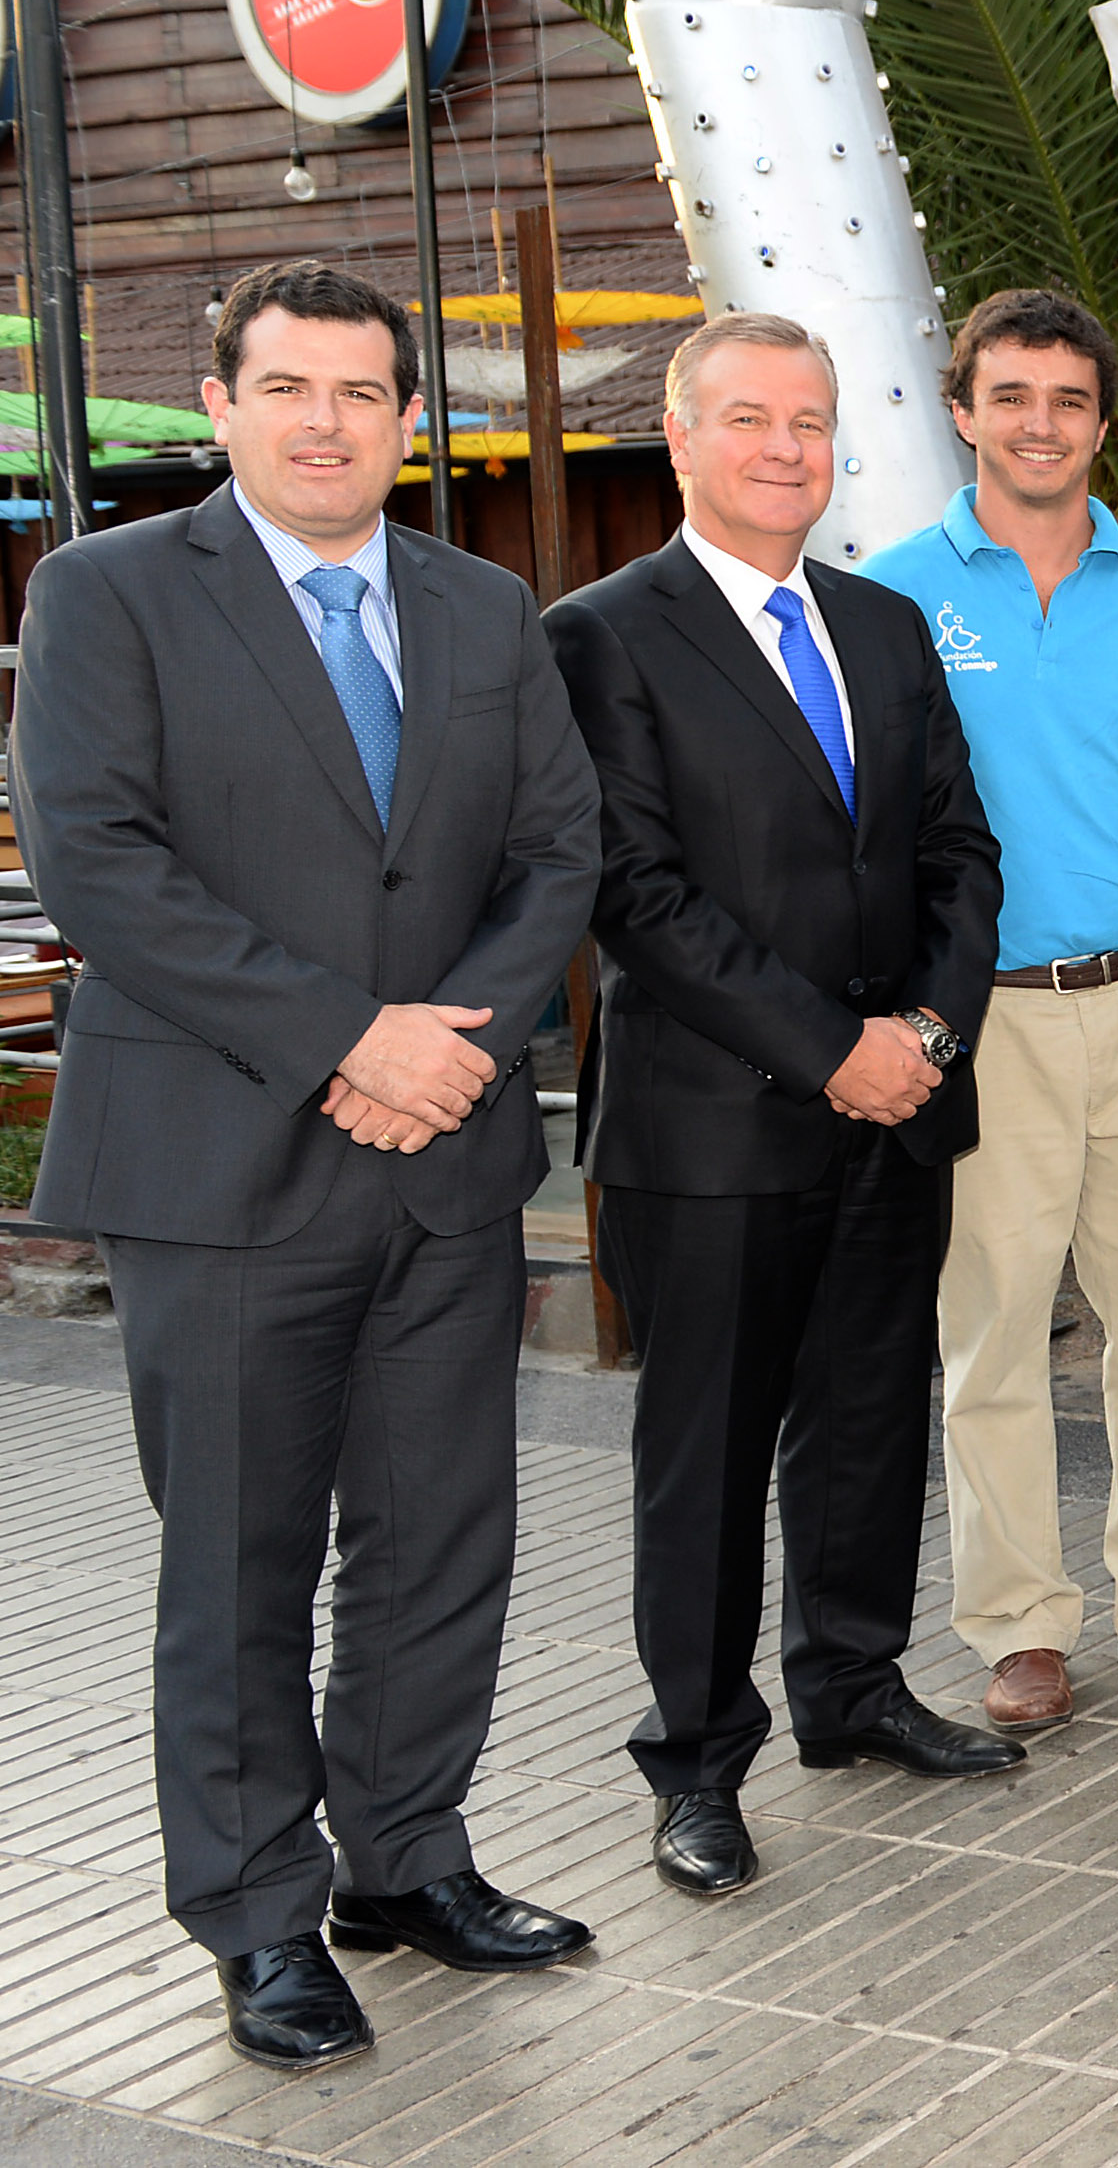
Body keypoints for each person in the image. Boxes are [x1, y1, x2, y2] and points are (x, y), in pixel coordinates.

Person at [12, 261, 604, 2070]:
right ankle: (260, 1917)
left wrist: (455, 1043)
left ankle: (406, 1861)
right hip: (221, 1155)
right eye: (289, 388)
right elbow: (102, 864)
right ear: (224, 405)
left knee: (442, 1544)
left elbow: (556, 854)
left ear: (410, 420)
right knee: (246, 1560)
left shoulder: (486, 605)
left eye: (363, 392)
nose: (326, 422)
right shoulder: (109, 592)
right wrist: (355, 1039)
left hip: (444, 1156)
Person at [549, 311, 1019, 1905]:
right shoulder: (603, 634)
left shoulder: (886, 628)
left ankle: (855, 1684)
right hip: (717, 1125)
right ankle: (694, 1761)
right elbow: (638, 894)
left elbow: (959, 850)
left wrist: (930, 1033)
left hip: (902, 1106)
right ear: (679, 439)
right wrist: (831, 1048)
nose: (783, 449)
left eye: (810, 422)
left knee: (873, 1417)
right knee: (707, 1454)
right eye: (746, 418)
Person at [861, 290, 1118, 1729]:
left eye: (1069, 401)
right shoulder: (891, 593)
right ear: (962, 411)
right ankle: (1020, 1621)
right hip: (986, 1020)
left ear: (1100, 423)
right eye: (1010, 396)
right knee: (994, 1330)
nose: (1040, 424)